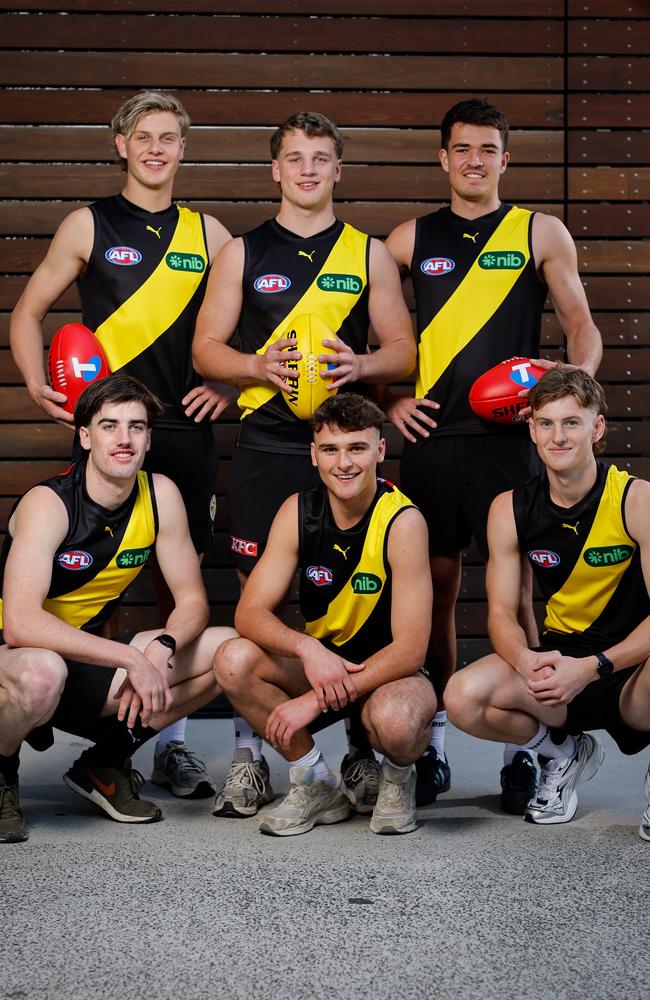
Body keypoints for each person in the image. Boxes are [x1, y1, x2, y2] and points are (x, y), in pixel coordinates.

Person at [9, 90, 232, 797]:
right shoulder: (88, 224)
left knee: (180, 587)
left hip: (186, 432)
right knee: (94, 570)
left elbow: (252, 328)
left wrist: (229, 387)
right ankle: (64, 711)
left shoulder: (211, 235)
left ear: (183, 149)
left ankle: (164, 744)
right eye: (144, 137)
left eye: (169, 138)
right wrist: (35, 382)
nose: (157, 148)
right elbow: (29, 311)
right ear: (121, 144)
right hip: (114, 425)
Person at [193, 111, 416, 815]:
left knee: (358, 590)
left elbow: (404, 352)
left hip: (344, 443)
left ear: (338, 169)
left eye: (322, 158)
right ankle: (253, 755)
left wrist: (364, 362)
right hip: (267, 442)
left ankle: (358, 743)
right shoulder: (243, 252)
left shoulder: (367, 252)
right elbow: (206, 350)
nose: (309, 169)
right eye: (296, 158)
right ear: (276, 170)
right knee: (256, 599)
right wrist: (256, 363)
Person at [384, 97, 603, 812]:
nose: (475, 160)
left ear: (506, 159)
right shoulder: (408, 240)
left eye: (488, 149)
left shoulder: (540, 231)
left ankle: (528, 753)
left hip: (513, 445)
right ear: (442, 158)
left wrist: (572, 393)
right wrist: (389, 399)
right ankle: (435, 744)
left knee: (521, 595)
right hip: (433, 442)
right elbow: (368, 326)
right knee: (439, 591)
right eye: (462, 149)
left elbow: (580, 323)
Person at [0, 375, 235, 844]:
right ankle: (2, 773)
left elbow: (191, 602)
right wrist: (132, 659)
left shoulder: (160, 494)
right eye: (109, 426)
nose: (124, 439)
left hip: (83, 659)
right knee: (42, 673)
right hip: (16, 658)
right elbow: (21, 624)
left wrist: (162, 646)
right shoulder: (48, 504)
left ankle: (101, 767)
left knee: (226, 649)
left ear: (149, 439)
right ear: (85, 437)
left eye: (136, 427)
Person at [213, 394, 436, 836]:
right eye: (331, 449)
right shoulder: (298, 510)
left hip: (388, 672)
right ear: (313, 455)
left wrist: (315, 700)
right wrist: (306, 648)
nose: (344, 463)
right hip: (324, 663)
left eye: (357, 448)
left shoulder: (403, 521)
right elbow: (250, 611)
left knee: (398, 722)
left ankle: (396, 778)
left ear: (380, 450)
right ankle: (314, 781)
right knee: (232, 659)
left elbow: (410, 650)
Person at [444, 368, 650, 837]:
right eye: (547, 423)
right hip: (561, 664)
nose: (559, 436)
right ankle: (563, 754)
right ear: (532, 429)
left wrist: (596, 665)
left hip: (634, 671)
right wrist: (525, 661)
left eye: (572, 422)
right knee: (462, 697)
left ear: (596, 429)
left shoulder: (637, 501)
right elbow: (500, 613)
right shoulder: (510, 508)